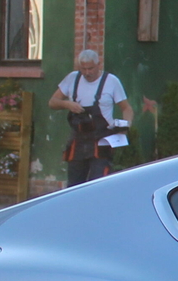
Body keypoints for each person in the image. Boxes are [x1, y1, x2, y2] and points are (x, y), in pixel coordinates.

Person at [48, 49, 132, 189]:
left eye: (91, 68)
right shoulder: (72, 79)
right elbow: (52, 102)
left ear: (99, 64)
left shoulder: (111, 81)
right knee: (74, 186)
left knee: (99, 184)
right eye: (83, 69)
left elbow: (127, 109)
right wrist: (67, 104)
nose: (87, 73)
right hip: (78, 140)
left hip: (102, 140)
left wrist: (123, 131)